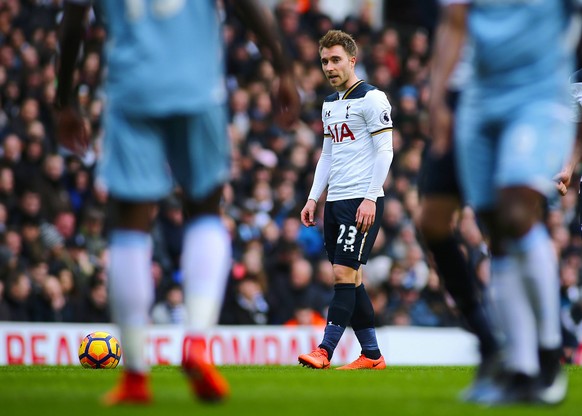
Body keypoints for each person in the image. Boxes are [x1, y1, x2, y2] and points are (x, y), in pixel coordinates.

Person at [56, 0, 299, 405]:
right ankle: (198, 344)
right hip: (197, 86)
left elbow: (74, 18)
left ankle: (135, 376)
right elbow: (245, 4)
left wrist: (65, 98)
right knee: (205, 212)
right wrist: (284, 66)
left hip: (132, 89)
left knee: (129, 225)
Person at [430, 0, 580, 405]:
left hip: (538, 96)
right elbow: (453, 21)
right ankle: (521, 368)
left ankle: (549, 354)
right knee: (494, 230)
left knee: (516, 213)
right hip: (480, 99)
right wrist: (438, 97)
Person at [298, 30, 393, 370]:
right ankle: (372, 355)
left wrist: (370, 197)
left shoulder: (372, 99)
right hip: (335, 201)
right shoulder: (329, 104)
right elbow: (327, 156)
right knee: (352, 280)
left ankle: (324, 350)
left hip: (361, 201)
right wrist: (313, 198)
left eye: (336, 59)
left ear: (352, 60)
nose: (329, 67)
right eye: (324, 61)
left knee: (341, 274)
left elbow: (386, 151)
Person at [418, 1, 499, 402]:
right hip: (462, 95)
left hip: (517, 91)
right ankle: (487, 337)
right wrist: (437, 97)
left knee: (508, 221)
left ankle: (539, 349)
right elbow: (451, 24)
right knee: (431, 220)